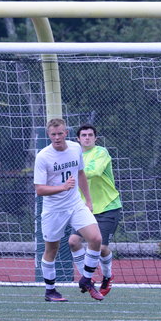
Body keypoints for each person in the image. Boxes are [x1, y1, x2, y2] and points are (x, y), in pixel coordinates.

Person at [34, 118, 104, 302]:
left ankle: (86, 280)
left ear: (66, 133)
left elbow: (80, 173)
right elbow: (39, 189)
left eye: (60, 133)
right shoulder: (43, 156)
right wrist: (62, 187)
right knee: (51, 250)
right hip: (54, 210)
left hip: (75, 205)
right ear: (49, 135)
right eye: (53, 134)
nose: (57, 137)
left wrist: (88, 200)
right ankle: (50, 291)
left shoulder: (75, 148)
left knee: (96, 238)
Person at [68, 124, 122, 297]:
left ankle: (107, 275)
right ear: (78, 139)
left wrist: (71, 172)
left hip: (107, 206)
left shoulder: (101, 152)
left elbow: (95, 171)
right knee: (73, 242)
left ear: (95, 138)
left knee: (102, 248)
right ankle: (87, 278)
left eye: (90, 135)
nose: (87, 138)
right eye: (83, 135)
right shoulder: (73, 156)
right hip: (84, 209)